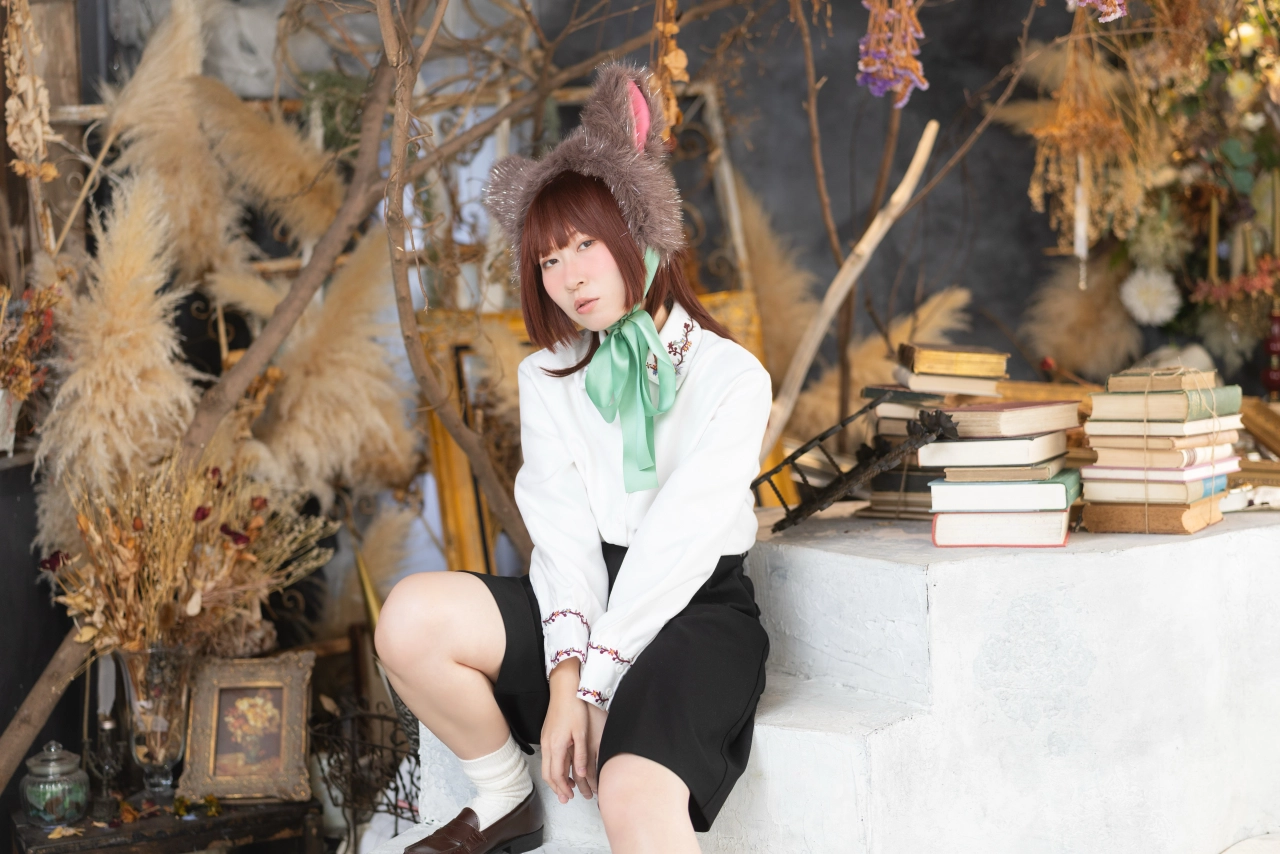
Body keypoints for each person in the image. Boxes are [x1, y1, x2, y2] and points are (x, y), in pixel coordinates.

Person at [375, 62, 772, 854]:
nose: (568, 277)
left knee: (633, 795)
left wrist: (594, 685)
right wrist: (566, 679)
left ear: (639, 230)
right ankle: (504, 798)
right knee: (411, 618)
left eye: (585, 244)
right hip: (580, 602)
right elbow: (561, 539)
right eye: (548, 260)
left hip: (692, 607)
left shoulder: (731, 376)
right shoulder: (547, 376)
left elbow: (680, 544)